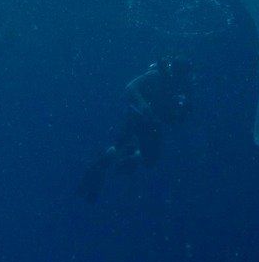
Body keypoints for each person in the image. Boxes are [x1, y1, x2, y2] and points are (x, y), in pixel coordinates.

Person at [76, 55, 191, 203]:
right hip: (137, 118)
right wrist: (144, 105)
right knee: (119, 148)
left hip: (152, 123)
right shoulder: (156, 75)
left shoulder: (177, 86)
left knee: (149, 160)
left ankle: (127, 157)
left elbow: (172, 112)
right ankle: (104, 167)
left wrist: (178, 112)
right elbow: (130, 87)